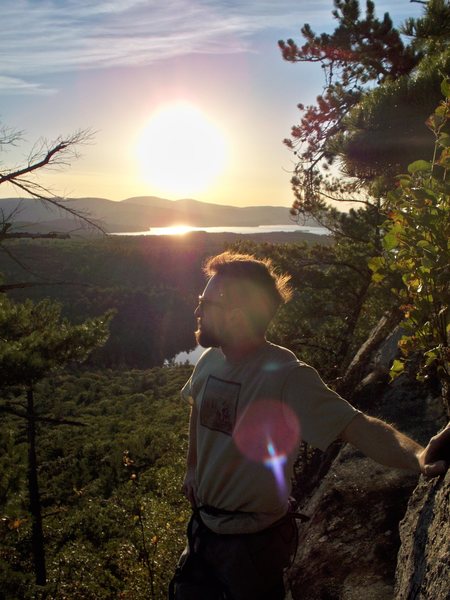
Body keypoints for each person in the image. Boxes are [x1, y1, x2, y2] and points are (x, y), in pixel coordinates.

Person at [170, 251, 449, 600]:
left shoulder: (287, 377)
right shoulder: (210, 361)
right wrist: (192, 469)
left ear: (237, 317)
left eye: (205, 303)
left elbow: (358, 426)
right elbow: (198, 406)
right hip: (200, 536)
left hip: (250, 551)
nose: (197, 310)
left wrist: (419, 456)